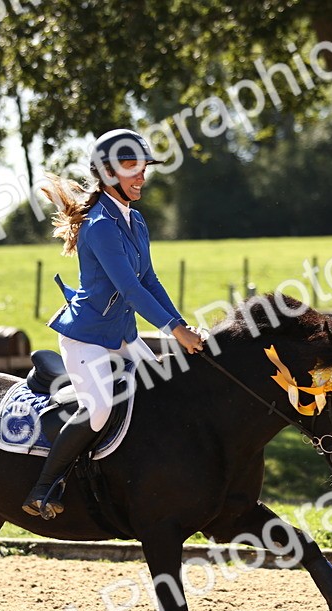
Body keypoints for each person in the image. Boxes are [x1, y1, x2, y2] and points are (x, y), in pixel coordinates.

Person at [24, 128, 204, 520]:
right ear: (108, 173)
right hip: (87, 339)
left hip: (122, 336)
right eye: (131, 168)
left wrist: (181, 324)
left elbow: (149, 280)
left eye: (143, 168)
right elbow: (130, 289)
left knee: (166, 391)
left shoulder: (135, 220)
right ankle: (44, 488)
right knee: (100, 409)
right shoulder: (101, 225)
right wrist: (176, 331)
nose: (141, 176)